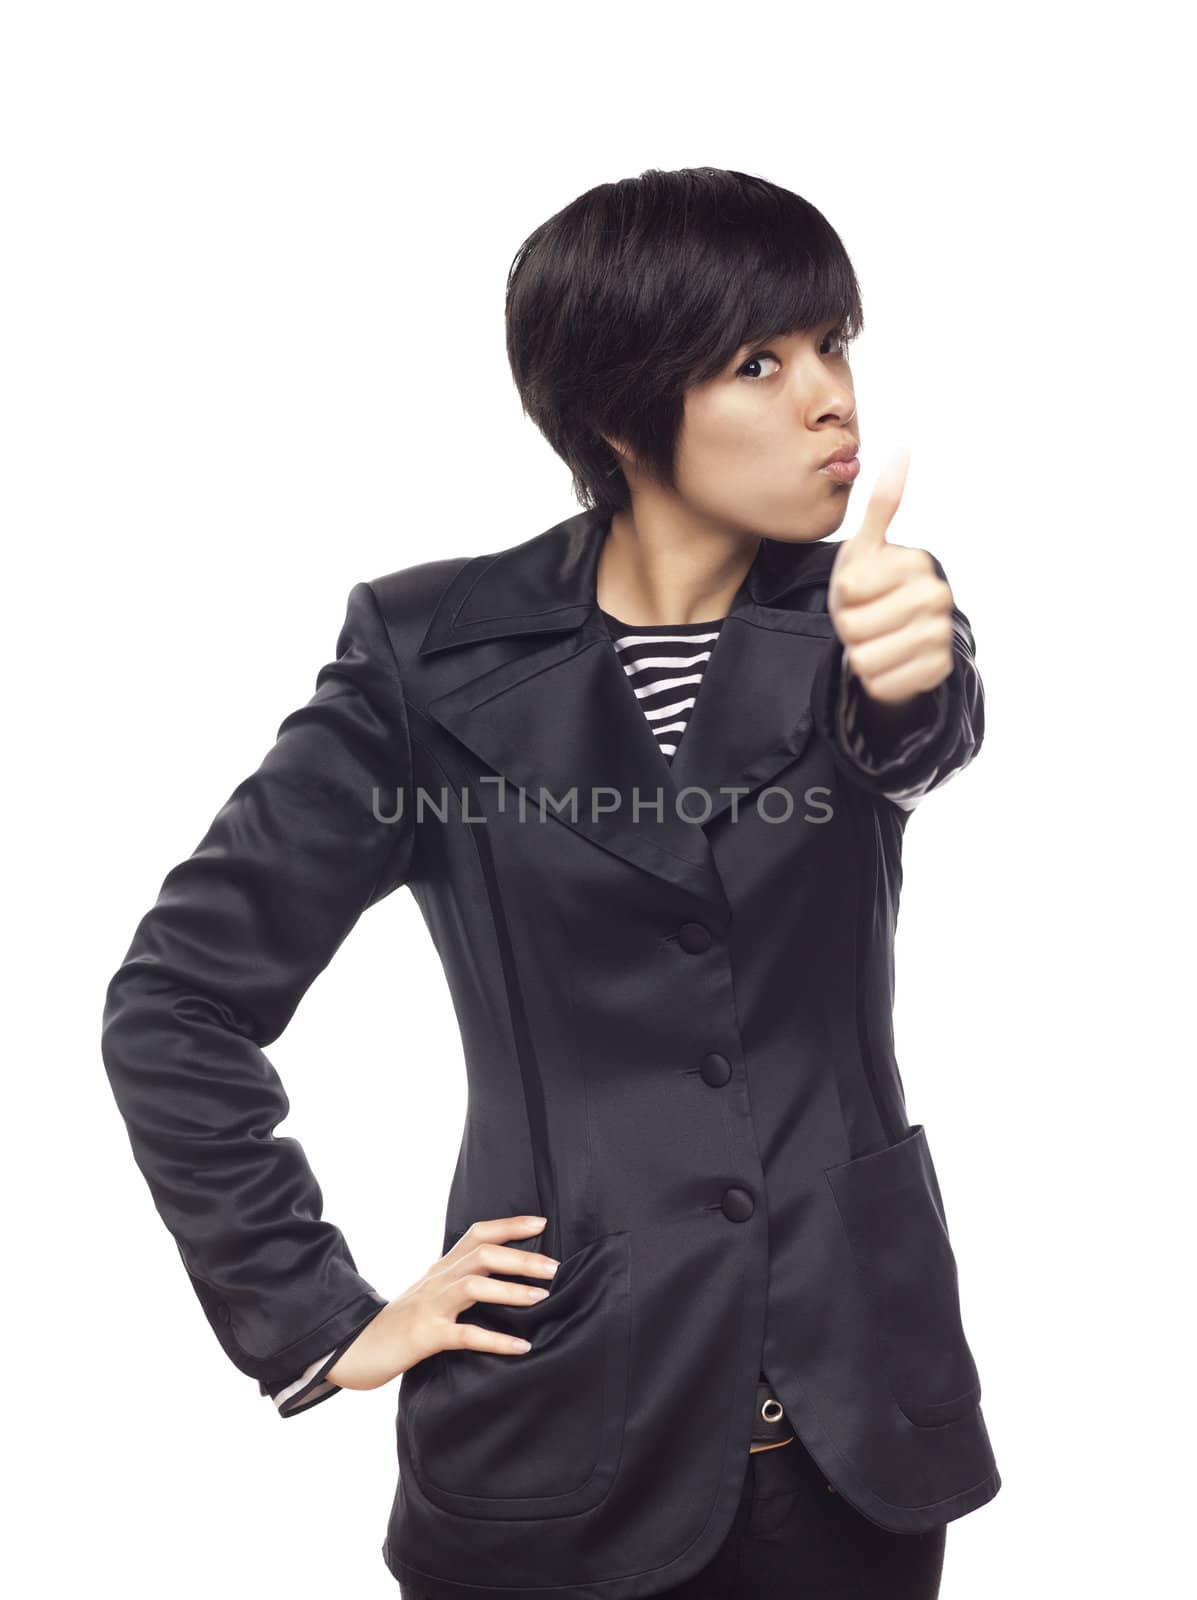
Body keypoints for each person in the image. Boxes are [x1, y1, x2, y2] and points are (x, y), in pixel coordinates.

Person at [101, 166, 997, 1599]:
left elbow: (913, 730)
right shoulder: (427, 654)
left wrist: (913, 674)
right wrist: (320, 1315)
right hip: (560, 1430)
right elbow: (178, 1001)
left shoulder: (867, 613)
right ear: (614, 412)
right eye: (759, 362)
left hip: (855, 1434)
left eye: (835, 344)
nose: (830, 399)